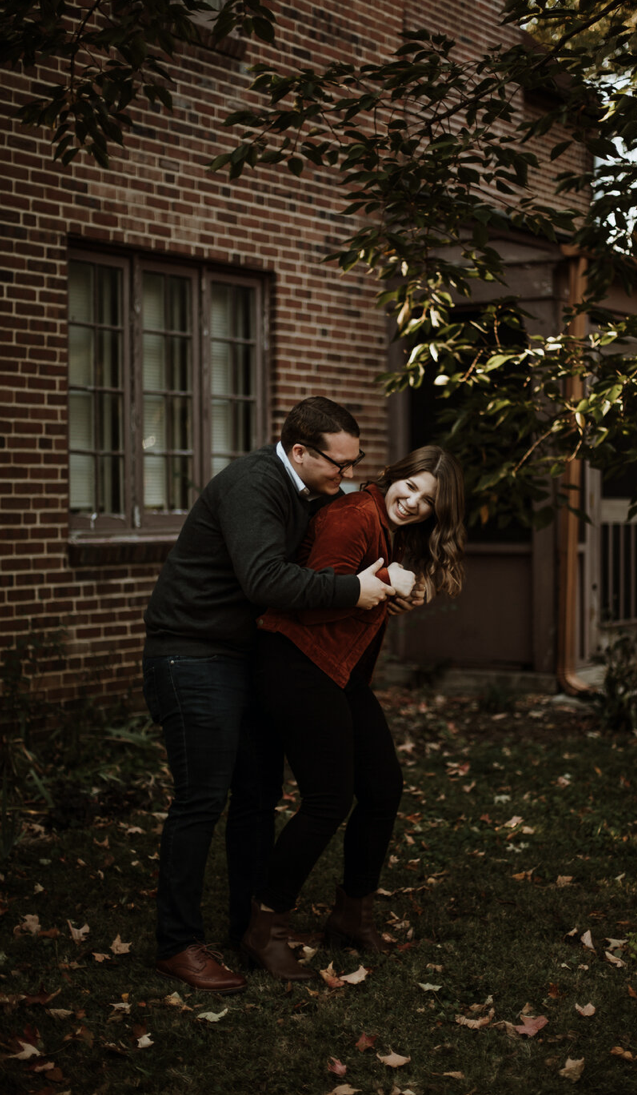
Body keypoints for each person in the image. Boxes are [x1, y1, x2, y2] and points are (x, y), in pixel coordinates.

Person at [142, 397, 396, 993]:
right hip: (190, 653)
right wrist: (351, 591)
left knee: (256, 797)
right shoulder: (255, 485)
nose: (347, 477)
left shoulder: (307, 490)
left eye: (355, 464)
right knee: (200, 800)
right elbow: (264, 578)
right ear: (301, 452)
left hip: (241, 657)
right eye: (339, 465)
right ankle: (177, 944)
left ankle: (246, 931)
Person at [240, 445, 466, 980]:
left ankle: (351, 914)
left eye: (427, 501)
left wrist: (404, 587)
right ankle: (264, 926)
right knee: (328, 800)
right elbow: (308, 596)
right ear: (394, 476)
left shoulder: (393, 529)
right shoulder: (353, 515)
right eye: (409, 487)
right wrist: (384, 588)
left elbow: (375, 588)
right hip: (296, 662)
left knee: (383, 788)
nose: (411, 503)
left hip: (340, 673)